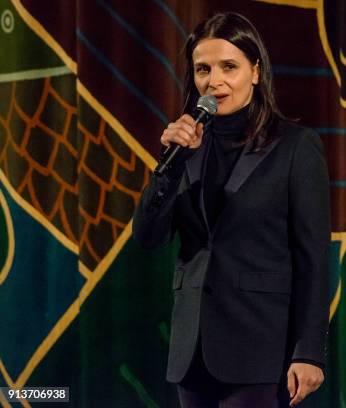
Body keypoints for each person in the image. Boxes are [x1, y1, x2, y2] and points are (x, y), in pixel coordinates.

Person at [132, 11, 331, 408]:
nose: (215, 81)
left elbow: (313, 257)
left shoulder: (295, 146)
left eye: (229, 67)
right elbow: (148, 237)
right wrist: (166, 169)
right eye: (203, 69)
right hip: (193, 352)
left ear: (255, 72)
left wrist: (309, 351)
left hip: (261, 349)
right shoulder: (185, 148)